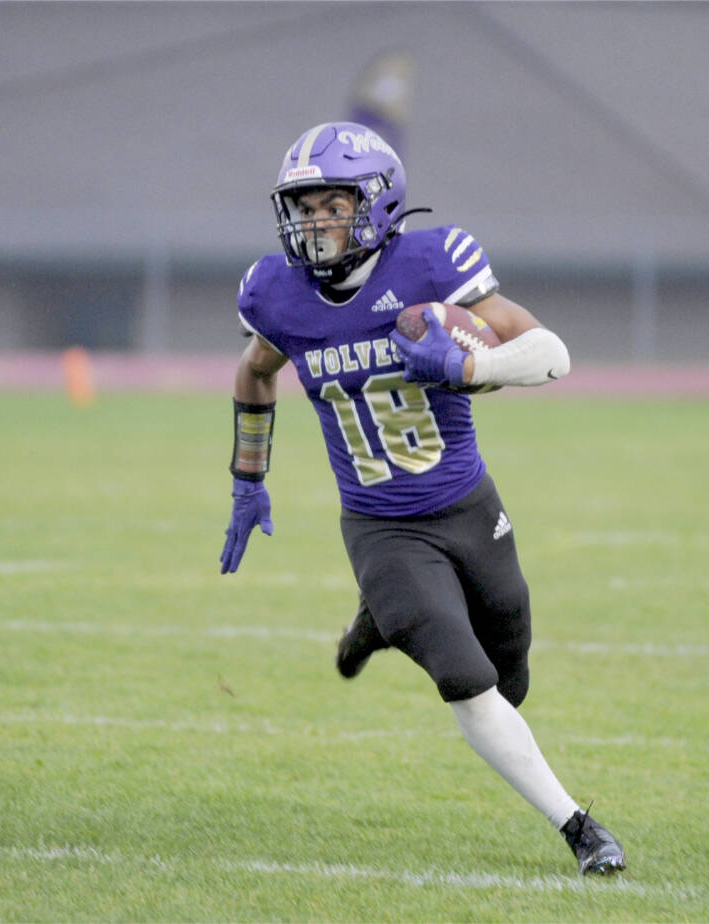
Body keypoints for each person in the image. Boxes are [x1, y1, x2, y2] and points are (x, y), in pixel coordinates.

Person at [219, 121, 626, 877]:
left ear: (376, 204)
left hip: (467, 503)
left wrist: (471, 368)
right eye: (303, 208)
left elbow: (551, 353)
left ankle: (380, 622)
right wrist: (248, 478)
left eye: (330, 206)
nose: (313, 224)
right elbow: (255, 372)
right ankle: (580, 829)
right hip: (380, 528)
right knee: (466, 680)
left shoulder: (434, 265)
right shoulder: (278, 295)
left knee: (511, 678)